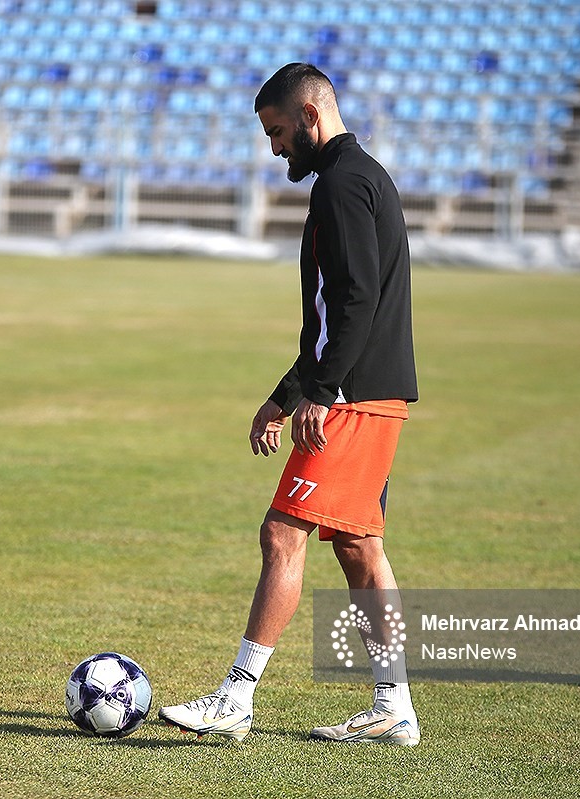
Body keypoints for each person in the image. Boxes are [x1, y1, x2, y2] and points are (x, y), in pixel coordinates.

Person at [158, 63, 421, 745]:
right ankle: (394, 705)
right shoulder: (362, 176)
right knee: (360, 547)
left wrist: (321, 394)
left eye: (277, 132)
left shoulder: (341, 183)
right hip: (374, 390)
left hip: (355, 398)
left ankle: (235, 698)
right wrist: (284, 395)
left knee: (282, 534)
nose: (274, 147)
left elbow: (355, 301)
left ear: (310, 116)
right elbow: (338, 314)